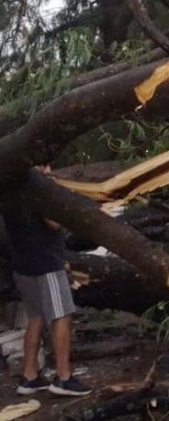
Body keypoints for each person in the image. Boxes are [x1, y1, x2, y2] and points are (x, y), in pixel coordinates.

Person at [2, 166, 91, 397]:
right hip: (46, 265)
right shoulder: (35, 192)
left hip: (23, 265)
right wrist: (53, 188)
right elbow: (55, 222)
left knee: (36, 317)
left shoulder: (10, 192)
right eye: (44, 167)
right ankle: (63, 377)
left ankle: (29, 376)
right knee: (61, 315)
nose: (49, 170)